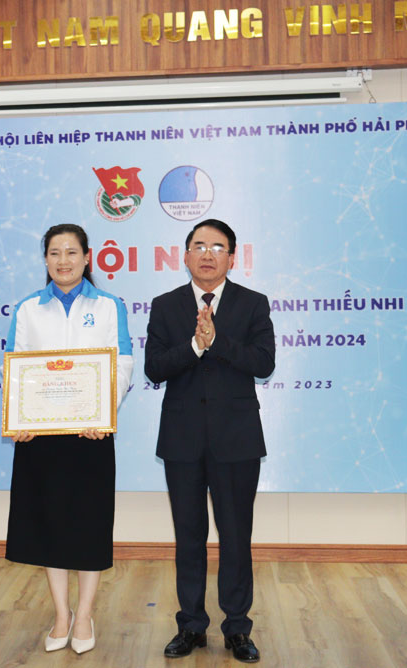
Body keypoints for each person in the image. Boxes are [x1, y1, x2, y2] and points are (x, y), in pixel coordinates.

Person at [143, 219, 275, 664]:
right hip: (182, 439)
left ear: (231, 258)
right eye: (198, 245)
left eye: (217, 247)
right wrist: (195, 348)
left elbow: (263, 363)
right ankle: (191, 625)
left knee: (236, 537)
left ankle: (237, 628)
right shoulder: (165, 305)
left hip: (236, 440)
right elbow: (155, 367)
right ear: (185, 255)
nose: (207, 254)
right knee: (189, 537)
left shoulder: (252, 304)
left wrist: (217, 341)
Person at [4, 223, 133, 655]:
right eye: (55, 253)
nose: (64, 261)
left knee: (88, 527)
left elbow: (123, 363)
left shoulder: (110, 306)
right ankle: (61, 614)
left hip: (90, 435)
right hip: (40, 437)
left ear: (87, 257)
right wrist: (19, 416)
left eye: (72, 252)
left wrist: (104, 413)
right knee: (50, 527)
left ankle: (85, 614)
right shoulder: (28, 309)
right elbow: (14, 367)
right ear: (45, 259)